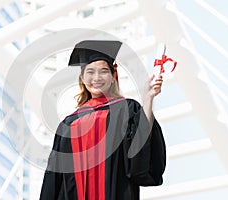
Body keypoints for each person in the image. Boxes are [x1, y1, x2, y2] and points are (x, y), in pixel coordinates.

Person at [39, 40, 166, 200]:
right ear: (82, 78)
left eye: (104, 71)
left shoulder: (126, 110)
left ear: (113, 76)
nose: (96, 78)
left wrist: (148, 100)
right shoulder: (68, 124)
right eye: (90, 72)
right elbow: (53, 180)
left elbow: (139, 164)